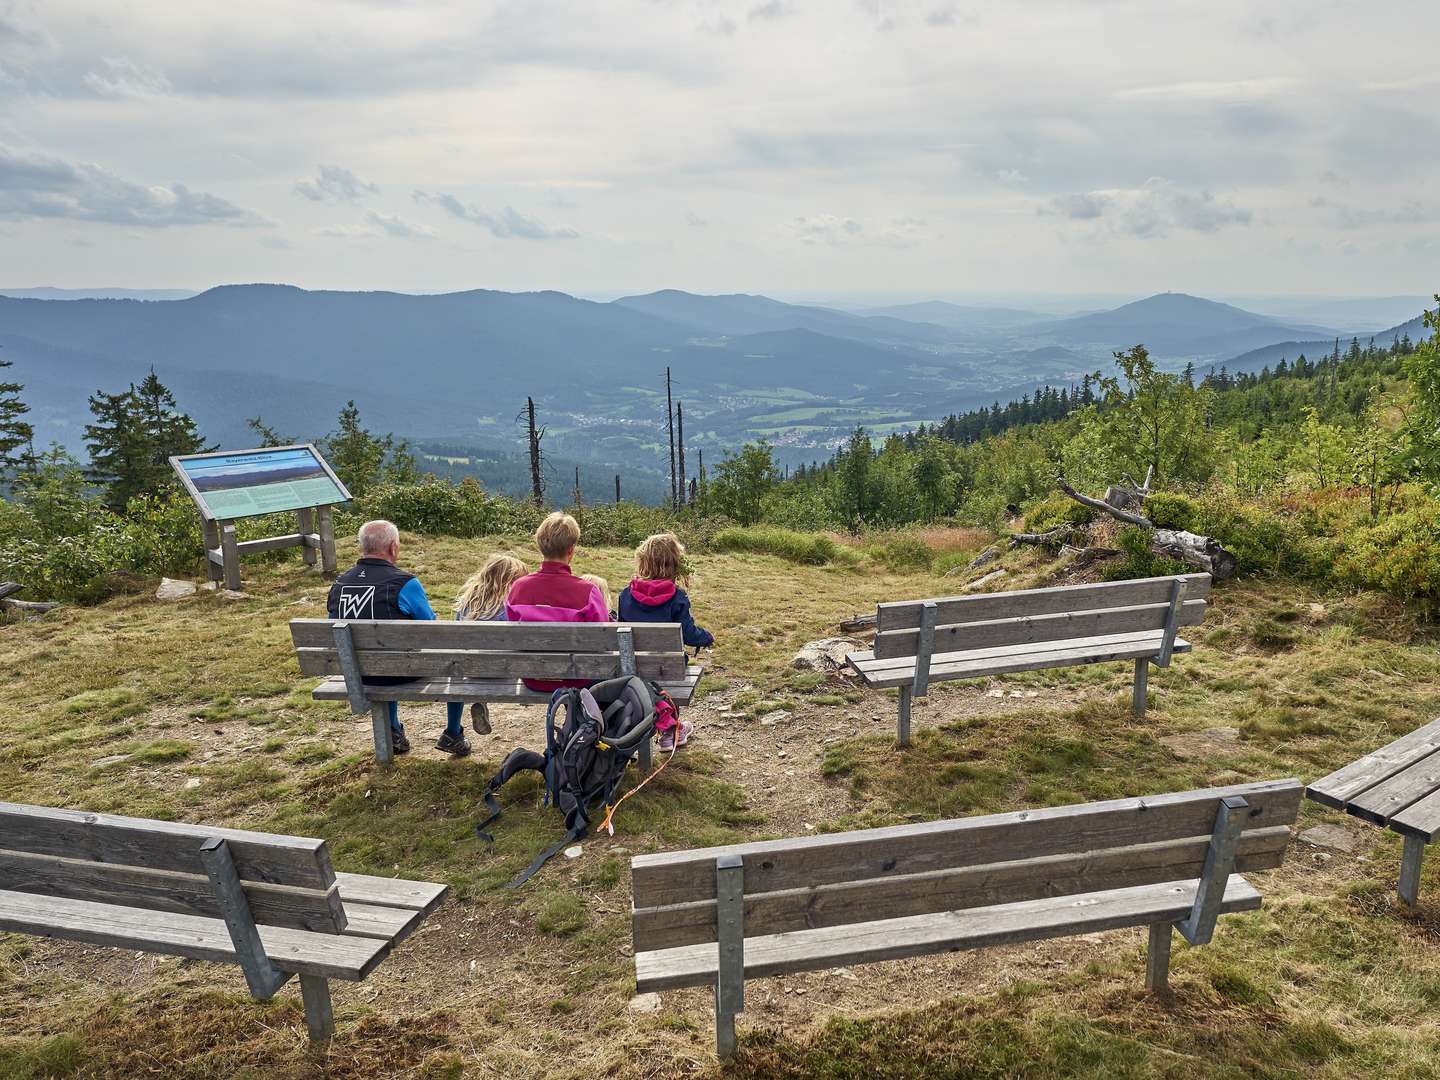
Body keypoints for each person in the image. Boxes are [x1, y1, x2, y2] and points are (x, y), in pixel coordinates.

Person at [327, 519, 471, 758]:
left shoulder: (339, 583)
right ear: (393, 547)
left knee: (383, 657)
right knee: (454, 659)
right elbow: (433, 632)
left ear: (362, 547)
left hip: (356, 671)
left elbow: (334, 625)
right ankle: (453, 734)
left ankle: (393, 730)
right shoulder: (404, 583)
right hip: (397, 672)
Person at [617, 533, 713, 750]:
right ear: (675, 564)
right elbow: (688, 634)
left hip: (633, 668)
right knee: (669, 669)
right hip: (669, 669)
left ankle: (638, 729)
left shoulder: (626, 595)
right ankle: (670, 733)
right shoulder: (677, 597)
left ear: (643, 563)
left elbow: (622, 632)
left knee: (648, 670)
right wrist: (706, 637)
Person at [505, 512, 608, 691]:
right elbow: (603, 638)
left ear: (540, 548)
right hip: (576, 678)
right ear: (571, 551)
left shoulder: (518, 588)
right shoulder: (588, 592)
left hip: (532, 677)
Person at [446, 554, 526, 736]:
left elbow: (457, 641)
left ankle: (456, 727)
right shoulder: (511, 606)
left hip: (470, 671)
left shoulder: (466, 604)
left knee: (462, 665)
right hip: (506, 672)